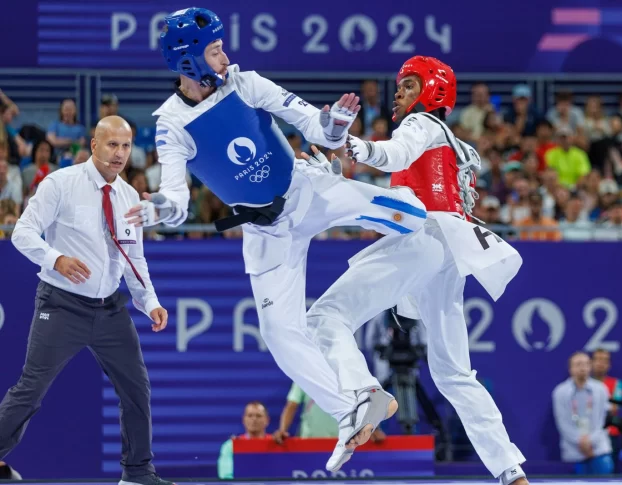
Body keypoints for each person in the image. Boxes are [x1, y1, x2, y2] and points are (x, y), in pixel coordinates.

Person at [124, 7, 424, 464]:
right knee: (280, 333)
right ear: (190, 61)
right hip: (265, 232)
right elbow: (176, 198)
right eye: (215, 49)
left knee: (414, 217)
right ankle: (354, 410)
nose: (225, 54)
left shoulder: (247, 82)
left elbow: (314, 125)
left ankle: (446, 233)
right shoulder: (171, 123)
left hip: (308, 190)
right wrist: (155, 208)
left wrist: (336, 125)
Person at [304, 56, 527, 484]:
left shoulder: (421, 124)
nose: (399, 93)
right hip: (451, 251)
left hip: (423, 238)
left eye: (408, 85)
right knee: (454, 374)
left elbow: (395, 155)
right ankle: (510, 471)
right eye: (400, 86)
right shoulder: (462, 146)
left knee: (324, 318)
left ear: (433, 92)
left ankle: (365, 393)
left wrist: (353, 146)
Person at [3, 116, 172, 485]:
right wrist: (56, 259)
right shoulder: (61, 184)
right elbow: (23, 233)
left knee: (136, 389)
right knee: (30, 390)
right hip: (61, 305)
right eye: (112, 145)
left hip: (110, 309)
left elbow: (134, 258)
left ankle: (138, 473)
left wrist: (151, 302)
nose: (120, 153)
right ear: (94, 145)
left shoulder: (128, 197)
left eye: (126, 146)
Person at [552, 352, 613, 475]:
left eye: (586, 364)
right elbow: (562, 423)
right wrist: (580, 442)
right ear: (570, 369)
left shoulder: (601, 389)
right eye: (578, 364)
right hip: (574, 452)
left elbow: (605, 421)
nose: (583, 367)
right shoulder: (560, 392)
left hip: (599, 449)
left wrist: (591, 441)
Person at [217, 401, 272, 480]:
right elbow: (226, 477)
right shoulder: (230, 446)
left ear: (267, 420)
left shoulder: (276, 444)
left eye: (258, 416)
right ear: (244, 419)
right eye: (250, 416)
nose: (254, 419)